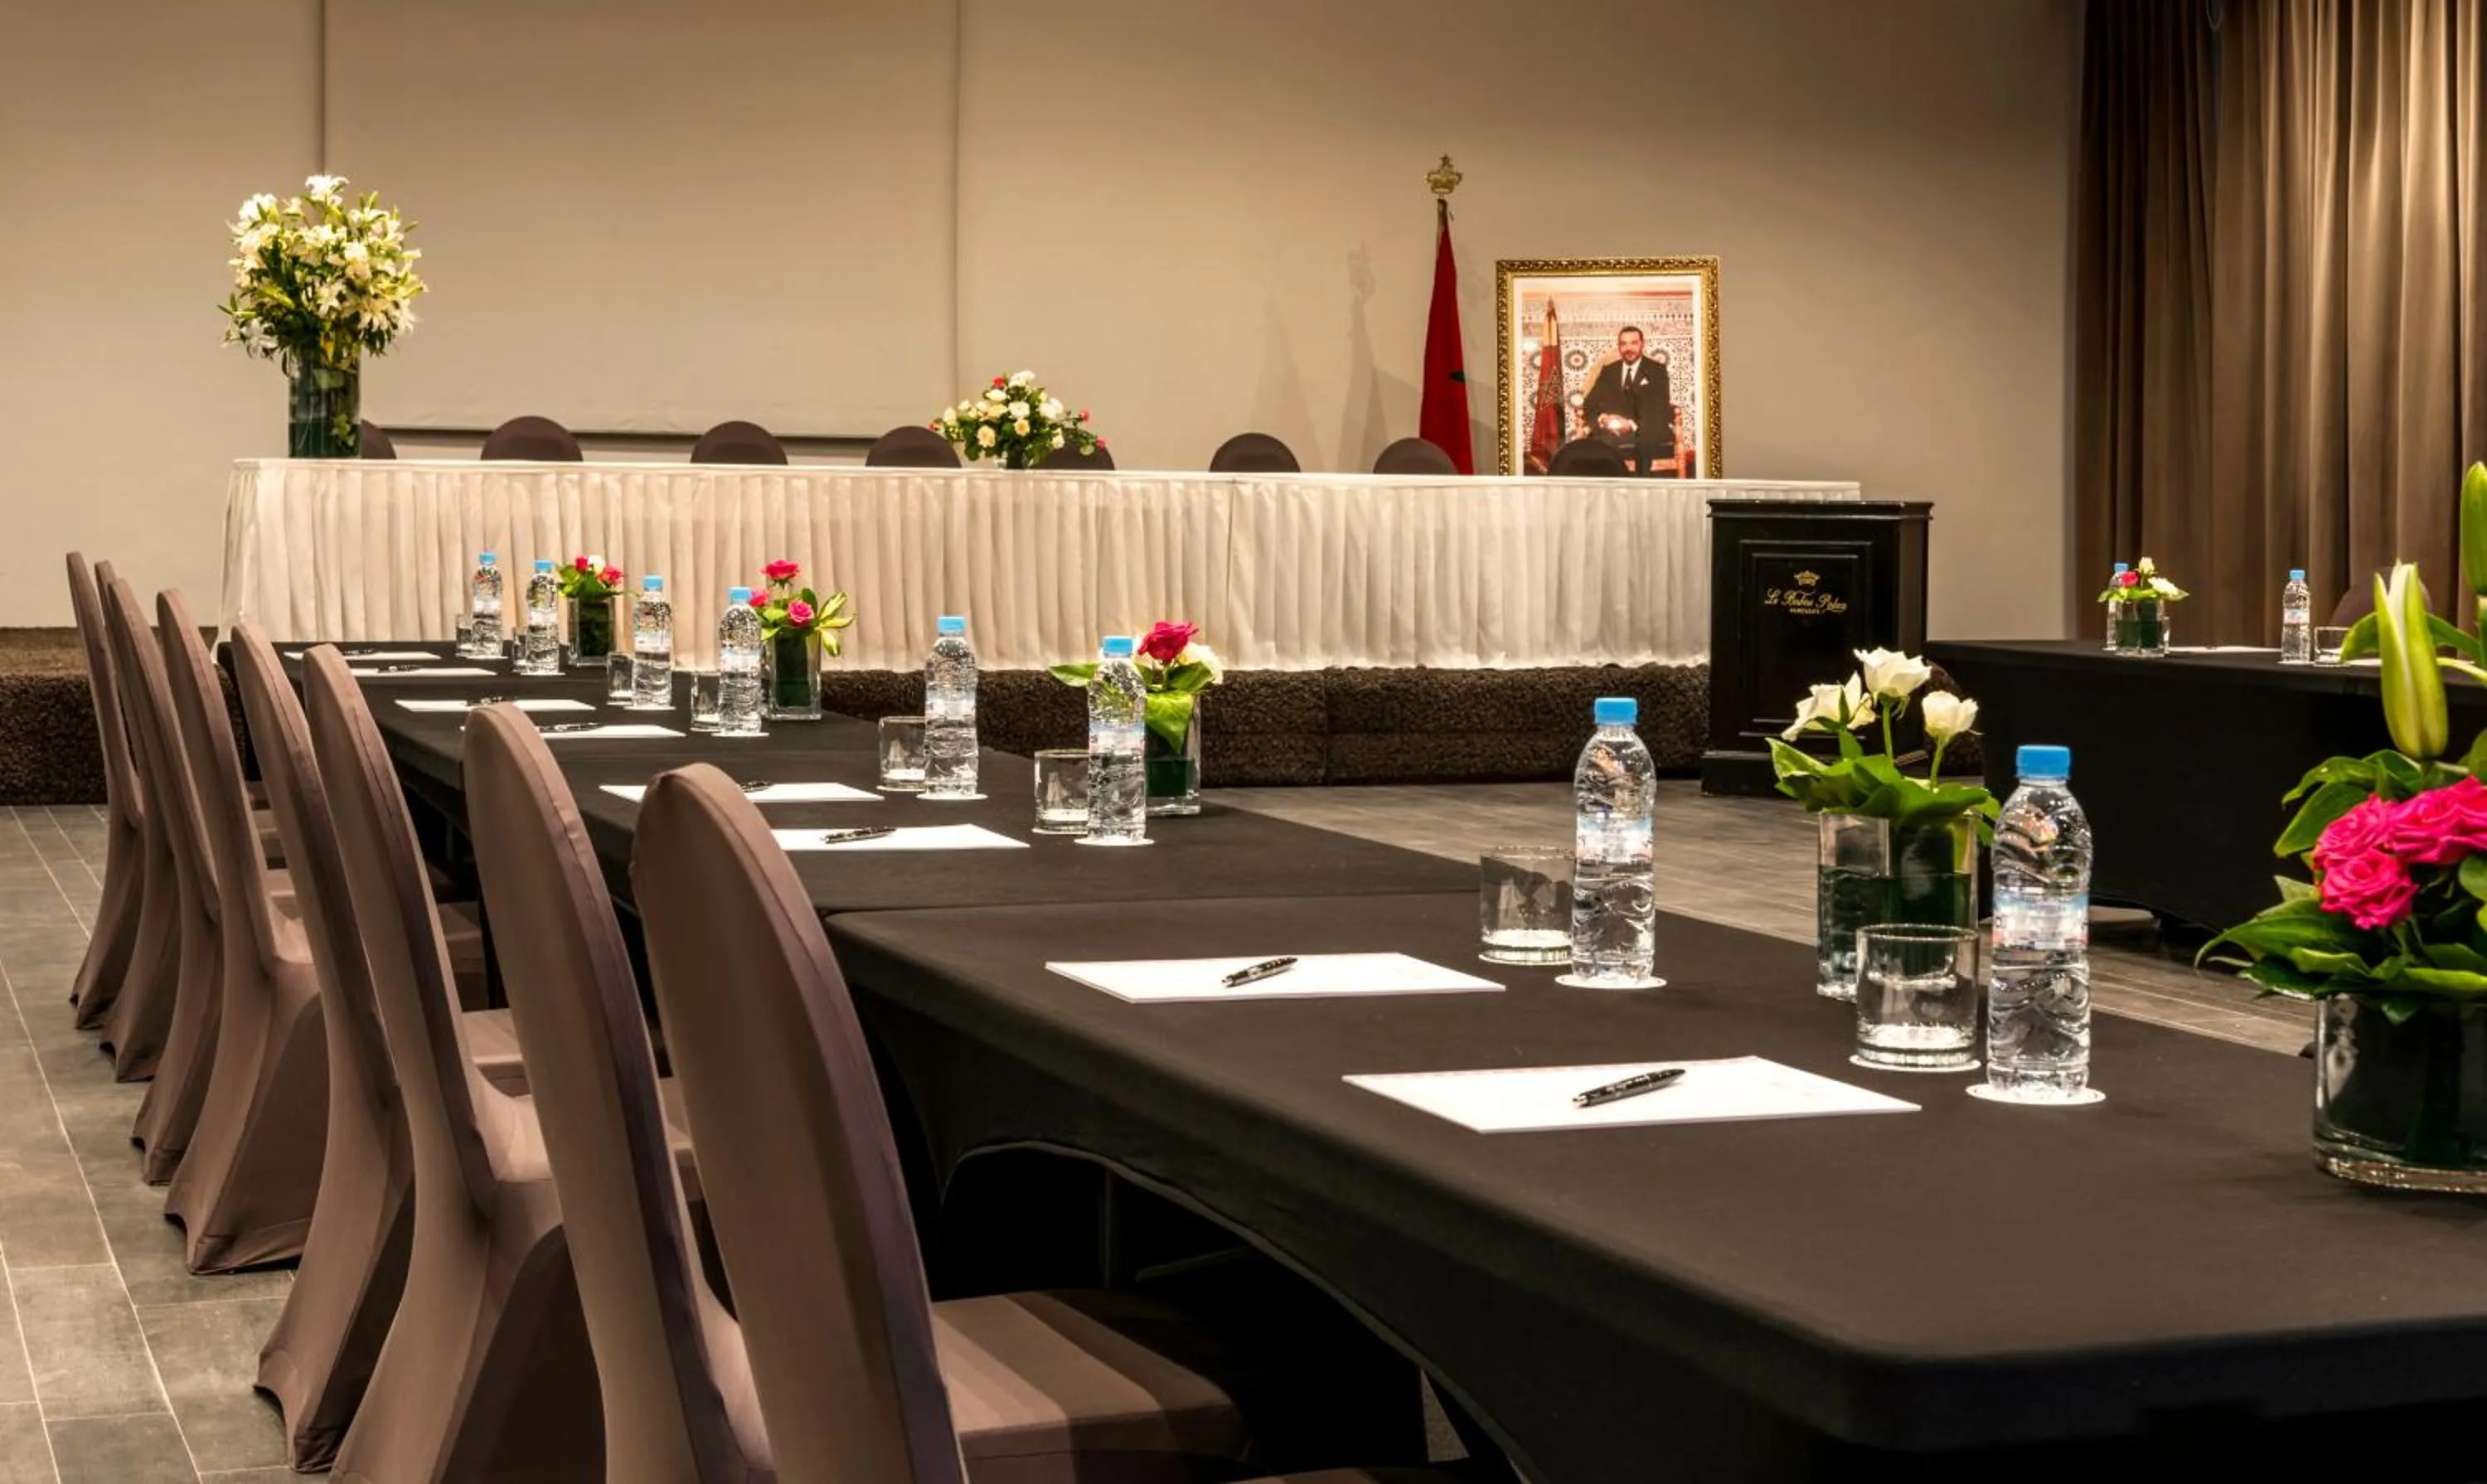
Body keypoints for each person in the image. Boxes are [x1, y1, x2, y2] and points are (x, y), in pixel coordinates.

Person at [1577, 327, 1675, 476]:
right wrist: (1604, 419)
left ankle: (1642, 484)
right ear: (1619, 347)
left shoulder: (1657, 370)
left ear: (1642, 344)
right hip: (1612, 429)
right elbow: (1590, 403)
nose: (1628, 348)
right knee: (1598, 444)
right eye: (1623, 344)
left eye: (1633, 343)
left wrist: (1630, 424)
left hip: (1645, 428)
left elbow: (1659, 408)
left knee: (1645, 438)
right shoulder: (1609, 371)